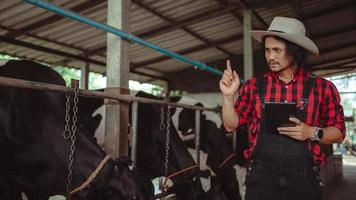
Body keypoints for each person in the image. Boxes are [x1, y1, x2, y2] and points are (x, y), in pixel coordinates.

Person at [219, 16, 345, 200]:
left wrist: (311, 132)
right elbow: (230, 126)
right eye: (267, 50)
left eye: (277, 50)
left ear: (295, 51)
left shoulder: (323, 88)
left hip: (304, 179)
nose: (270, 56)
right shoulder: (254, 86)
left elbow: (339, 133)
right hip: (261, 178)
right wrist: (228, 97)